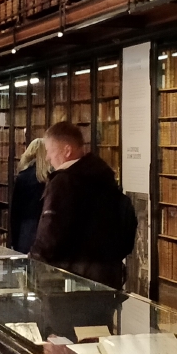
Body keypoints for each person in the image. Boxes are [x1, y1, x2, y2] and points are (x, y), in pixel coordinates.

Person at [31, 121, 132, 289]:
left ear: (67, 150)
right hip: (107, 273)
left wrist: (34, 260)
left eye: (50, 151)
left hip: (73, 277)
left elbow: (51, 230)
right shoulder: (103, 176)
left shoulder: (64, 181)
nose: (48, 157)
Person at [8, 138, 49, 253]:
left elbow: (16, 211)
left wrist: (13, 240)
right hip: (45, 226)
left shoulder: (23, 177)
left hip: (26, 228)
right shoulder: (51, 177)